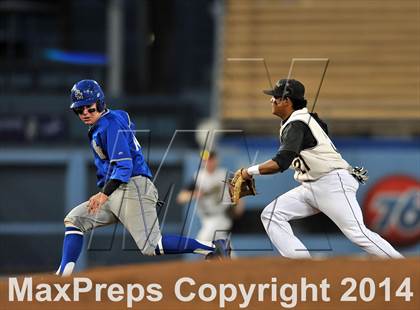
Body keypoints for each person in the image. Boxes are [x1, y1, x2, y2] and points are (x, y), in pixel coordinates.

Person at [56, 80, 229, 276]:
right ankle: (63, 275)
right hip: (117, 189)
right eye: (79, 110)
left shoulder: (109, 124)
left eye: (89, 107)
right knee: (75, 220)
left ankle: (214, 247)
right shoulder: (115, 117)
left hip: (130, 187)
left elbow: (124, 165)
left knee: (152, 245)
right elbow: (128, 122)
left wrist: (103, 195)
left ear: (101, 103)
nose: (85, 113)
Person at [238, 78, 403, 259]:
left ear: (287, 101)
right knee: (272, 215)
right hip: (312, 186)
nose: (272, 100)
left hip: (331, 183)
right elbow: (320, 130)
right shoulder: (301, 120)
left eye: (276, 97)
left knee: (358, 233)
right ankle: (302, 266)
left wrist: (248, 172)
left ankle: (404, 268)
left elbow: (281, 162)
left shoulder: (297, 124)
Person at [177, 151, 244, 242]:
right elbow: (181, 198)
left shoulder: (224, 174)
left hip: (221, 216)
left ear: (216, 160)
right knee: (222, 244)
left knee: (202, 242)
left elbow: (237, 192)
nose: (208, 162)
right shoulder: (198, 177)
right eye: (205, 160)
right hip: (205, 218)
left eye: (210, 159)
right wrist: (195, 194)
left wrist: (239, 206)